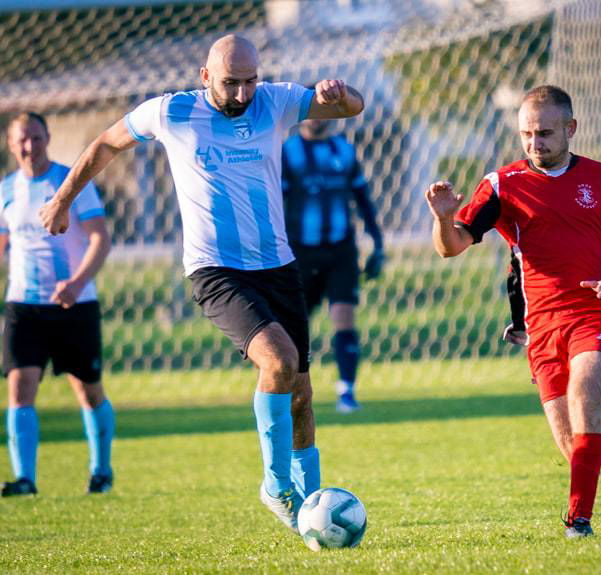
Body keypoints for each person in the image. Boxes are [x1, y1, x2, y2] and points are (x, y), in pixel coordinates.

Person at [38, 35, 364, 533]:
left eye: (250, 81)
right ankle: (276, 486)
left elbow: (351, 108)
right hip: (216, 270)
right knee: (278, 361)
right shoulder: (170, 114)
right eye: (231, 83)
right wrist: (62, 200)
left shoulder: (274, 101)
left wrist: (340, 94)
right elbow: (105, 142)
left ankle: (310, 507)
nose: (242, 94)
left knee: (300, 391)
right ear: (205, 76)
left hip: (277, 265)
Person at [425, 85, 601, 539]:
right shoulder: (501, 184)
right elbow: (451, 248)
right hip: (541, 326)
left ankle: (579, 522)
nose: (536, 143)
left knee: (584, 401)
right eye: (527, 134)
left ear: (570, 129)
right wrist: (442, 217)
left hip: (596, 312)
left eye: (546, 133)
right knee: (574, 445)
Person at [1, 112, 114, 496]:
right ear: (10, 144)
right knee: (20, 387)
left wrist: (77, 282)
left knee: (88, 391)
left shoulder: (71, 182)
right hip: (24, 305)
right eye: (21, 140)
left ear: (48, 138)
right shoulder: (6, 191)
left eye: (36, 137)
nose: (29, 147)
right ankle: (25, 479)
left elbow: (100, 238)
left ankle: (101, 472)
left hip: (74, 303)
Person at [281, 118, 384, 413]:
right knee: (292, 326)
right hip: (299, 251)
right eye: (311, 110)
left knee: (344, 316)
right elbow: (277, 201)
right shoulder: (288, 152)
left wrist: (377, 242)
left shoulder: (344, 150)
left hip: (341, 250)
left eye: (323, 111)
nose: (317, 117)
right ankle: (286, 392)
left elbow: (362, 199)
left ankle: (347, 393)